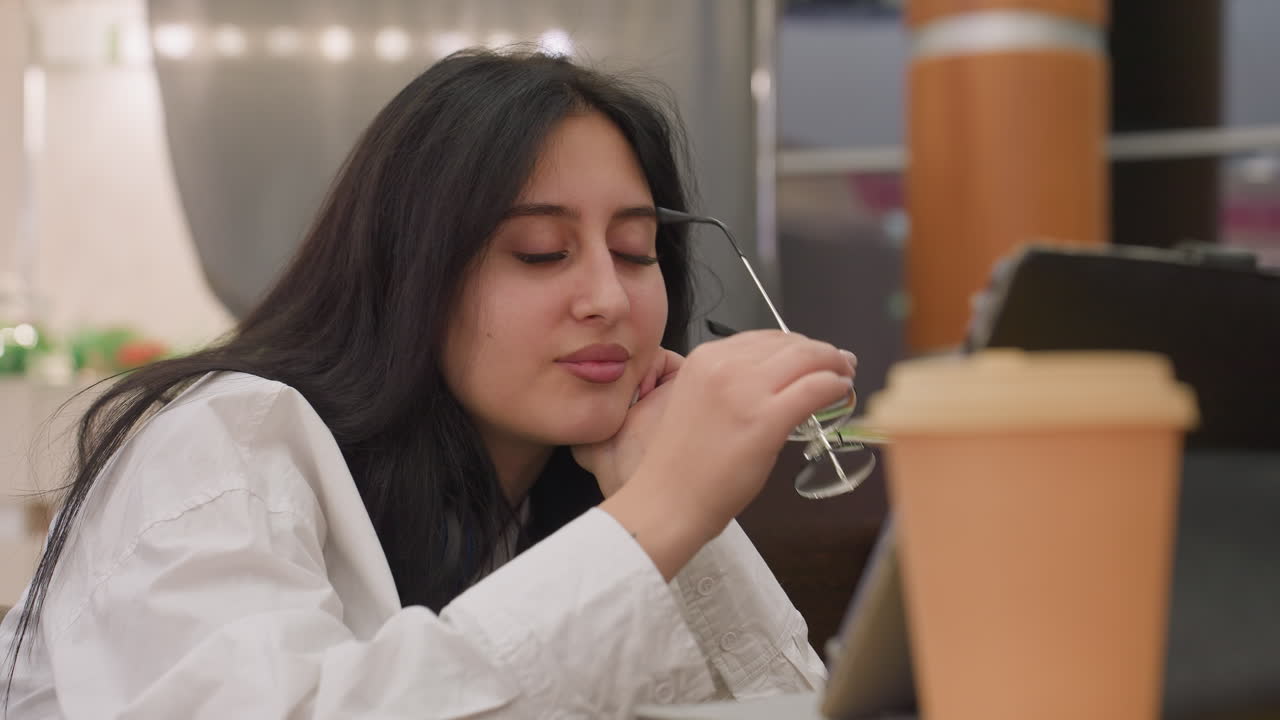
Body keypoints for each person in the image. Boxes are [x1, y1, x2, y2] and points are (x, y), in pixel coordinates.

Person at [0, 49, 856, 718]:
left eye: (635, 251)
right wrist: (660, 514)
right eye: (541, 253)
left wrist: (672, 515)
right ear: (408, 271)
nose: (608, 298)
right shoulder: (225, 441)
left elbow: (783, 703)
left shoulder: (555, 490)